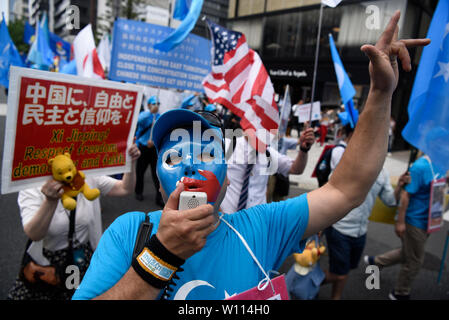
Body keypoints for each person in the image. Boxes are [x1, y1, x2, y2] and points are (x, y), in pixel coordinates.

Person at [71, 12, 430, 300]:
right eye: (175, 156)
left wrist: (381, 93)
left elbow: (347, 189)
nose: (194, 164)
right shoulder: (129, 233)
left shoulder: (259, 229)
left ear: (227, 176)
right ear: (159, 187)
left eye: (209, 153)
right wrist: (159, 257)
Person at [7, 144, 141, 300]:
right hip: (48, 260)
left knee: (77, 294)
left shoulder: (85, 176)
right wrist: (50, 201)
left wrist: (130, 162)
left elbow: (124, 189)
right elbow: (34, 233)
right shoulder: (32, 186)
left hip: (81, 257)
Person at [322, 121, 411, 299]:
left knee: (345, 270)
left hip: (360, 232)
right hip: (340, 229)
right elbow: (328, 189)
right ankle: (305, 279)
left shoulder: (383, 173)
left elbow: (389, 200)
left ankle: (335, 296)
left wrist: (400, 186)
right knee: (340, 273)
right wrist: (321, 223)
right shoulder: (348, 164)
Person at [364, 154, 445, 300]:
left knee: (409, 252)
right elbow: (405, 196)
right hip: (414, 221)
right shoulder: (420, 166)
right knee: (415, 260)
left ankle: (375, 262)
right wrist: (400, 222)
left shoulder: (441, 162)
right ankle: (400, 292)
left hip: (430, 220)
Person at [221, 126, 315, 214]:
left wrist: (304, 150)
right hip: (226, 219)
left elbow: (296, 169)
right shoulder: (227, 146)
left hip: (257, 222)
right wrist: (217, 212)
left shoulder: (268, 153)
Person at [134, 96, 163, 206]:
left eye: (158, 104)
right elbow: (138, 121)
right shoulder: (144, 115)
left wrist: (155, 142)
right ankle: (138, 191)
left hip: (154, 149)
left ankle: (159, 197)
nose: (156, 106)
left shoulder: (160, 117)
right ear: (148, 105)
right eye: (154, 103)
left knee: (157, 175)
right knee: (140, 171)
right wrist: (150, 112)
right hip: (143, 147)